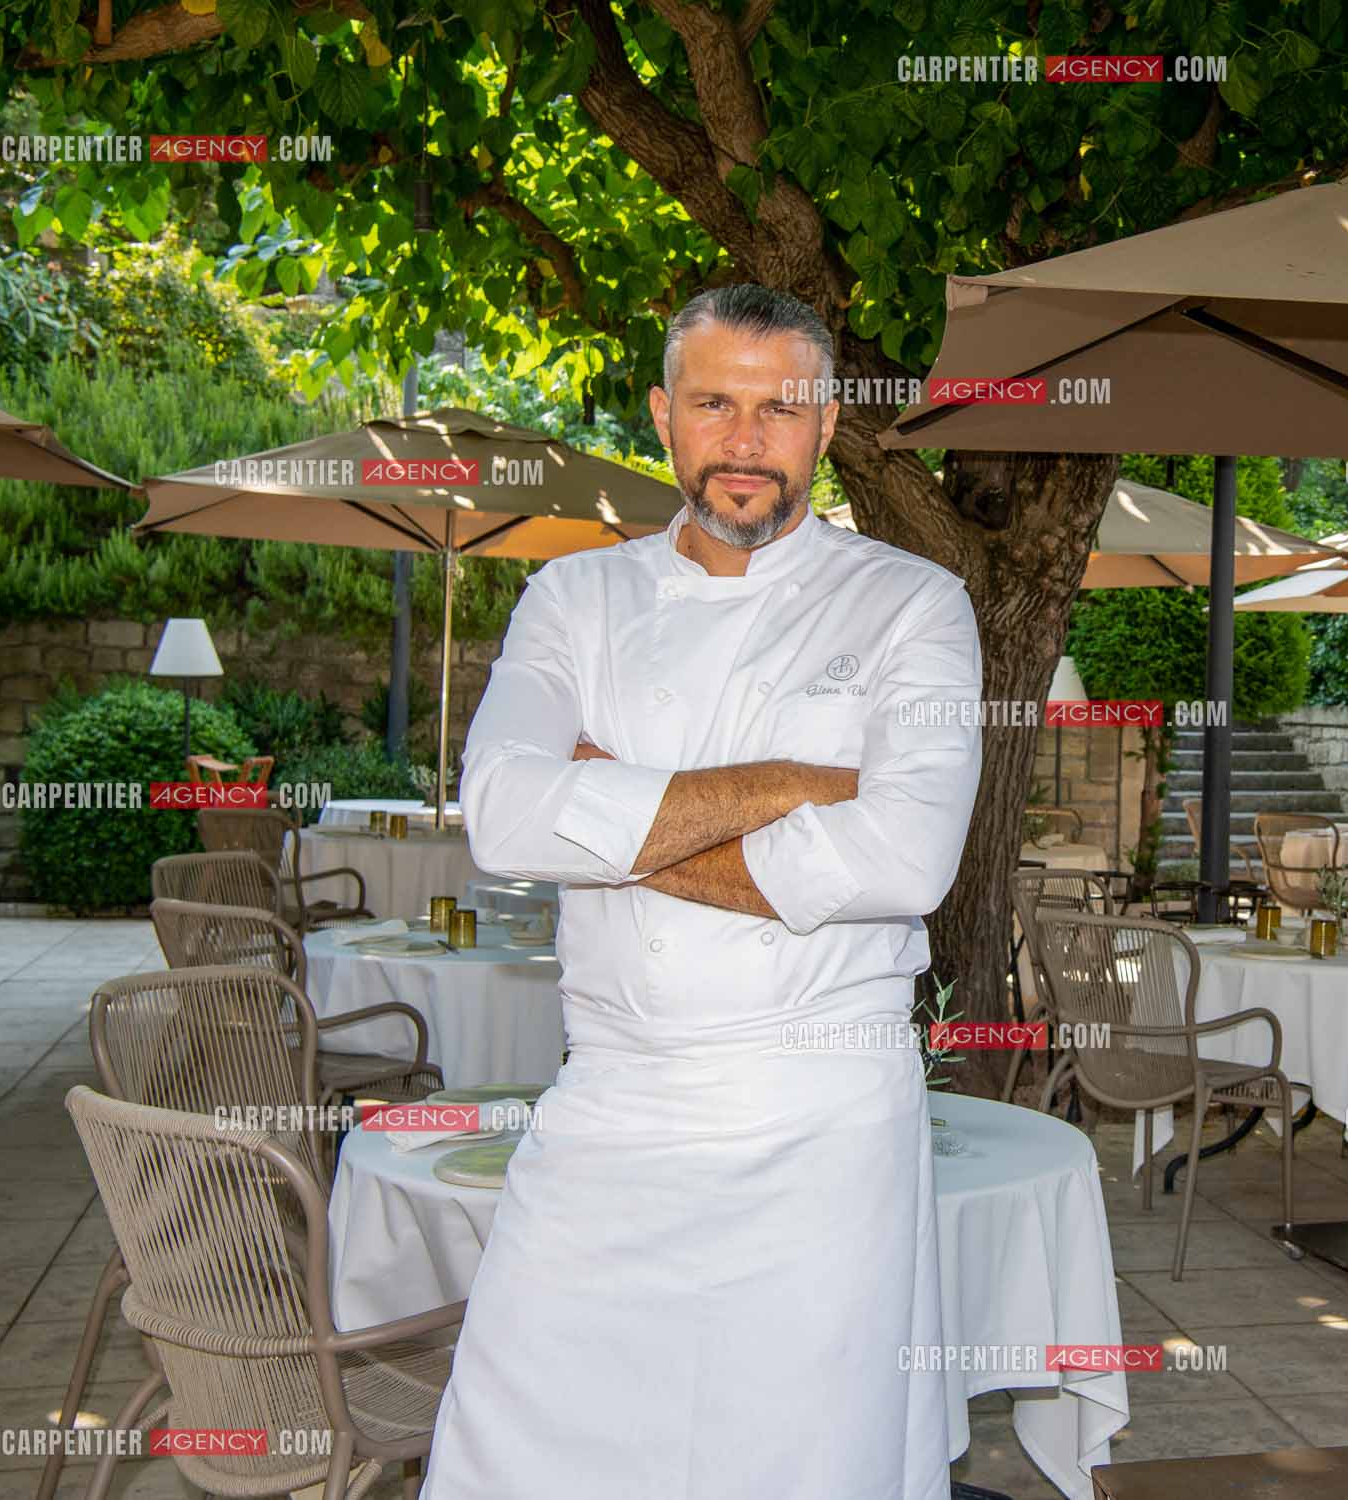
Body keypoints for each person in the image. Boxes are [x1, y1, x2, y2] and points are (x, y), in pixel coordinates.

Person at [425, 284, 980, 1498]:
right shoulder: (574, 598)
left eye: (780, 409)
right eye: (715, 403)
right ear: (662, 415)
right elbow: (505, 819)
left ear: (826, 425)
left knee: (796, 1460)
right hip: (611, 1104)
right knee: (528, 1453)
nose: (745, 440)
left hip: (821, 1118)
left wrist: (608, 812)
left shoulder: (913, 604)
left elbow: (904, 858)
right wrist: (789, 785)